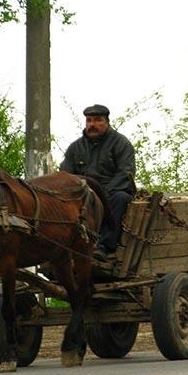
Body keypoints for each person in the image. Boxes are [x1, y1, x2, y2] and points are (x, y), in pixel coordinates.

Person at [60, 104, 136, 259]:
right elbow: (65, 175)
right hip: (82, 193)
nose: (92, 124)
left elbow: (125, 173)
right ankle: (63, 246)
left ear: (107, 122)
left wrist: (102, 193)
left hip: (112, 192)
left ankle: (104, 247)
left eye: (97, 120)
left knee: (120, 198)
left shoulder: (121, 143)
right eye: (89, 120)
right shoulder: (75, 147)